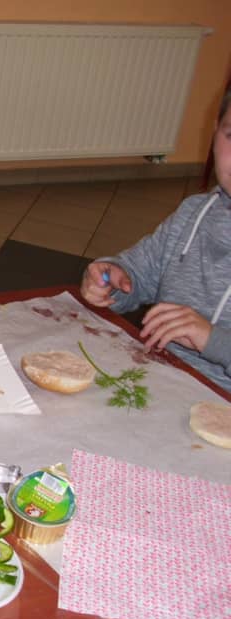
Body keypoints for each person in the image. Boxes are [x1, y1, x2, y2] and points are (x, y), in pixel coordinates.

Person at [80, 85, 231, 393]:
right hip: (161, 379)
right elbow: (138, 273)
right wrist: (112, 278)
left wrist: (212, 341)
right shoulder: (193, 212)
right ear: (215, 132)